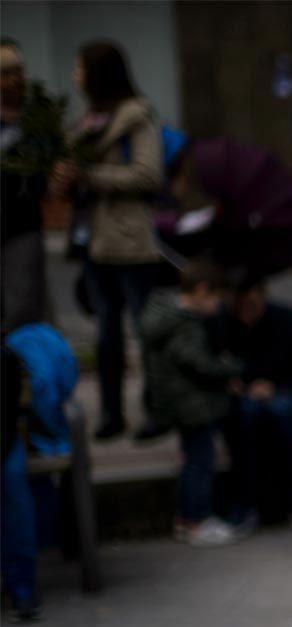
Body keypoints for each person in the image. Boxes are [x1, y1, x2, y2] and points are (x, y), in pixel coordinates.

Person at [53, 40, 163, 441]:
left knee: (144, 330)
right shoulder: (85, 123)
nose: (74, 77)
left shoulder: (137, 117)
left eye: (80, 69)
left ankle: (156, 409)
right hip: (92, 241)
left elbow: (149, 174)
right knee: (106, 334)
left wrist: (91, 177)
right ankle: (112, 413)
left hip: (131, 242)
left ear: (98, 74)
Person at [138, 260, 245, 546]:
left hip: (175, 401)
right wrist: (231, 368)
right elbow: (199, 364)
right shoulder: (185, 325)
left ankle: (188, 520)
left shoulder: (162, 315)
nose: (218, 307)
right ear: (201, 291)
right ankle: (195, 521)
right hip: (192, 405)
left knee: (192, 460)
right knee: (200, 462)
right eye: (217, 299)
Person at [221, 274, 292, 535]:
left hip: (290, 399)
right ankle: (245, 503)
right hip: (243, 406)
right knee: (247, 413)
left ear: (263, 296)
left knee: (283, 411)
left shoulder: (291, 321)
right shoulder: (222, 325)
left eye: (251, 305)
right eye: (239, 307)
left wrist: (276, 389)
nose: (245, 314)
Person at [2, 39, 54, 331]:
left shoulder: (37, 114)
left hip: (22, 222)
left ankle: (23, 367)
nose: (15, 80)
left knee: (23, 304)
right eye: (6, 74)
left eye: (18, 72)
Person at [1, 341, 40, 621]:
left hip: (4, 441)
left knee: (14, 495)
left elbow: (13, 410)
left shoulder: (7, 357)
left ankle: (22, 590)